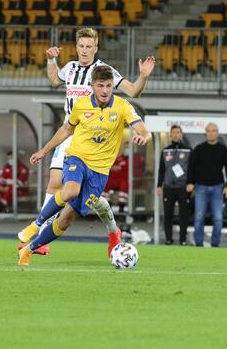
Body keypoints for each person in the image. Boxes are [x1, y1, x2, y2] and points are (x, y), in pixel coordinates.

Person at [16, 27, 156, 257]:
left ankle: (112, 229)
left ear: (96, 48)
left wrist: (143, 77)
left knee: (86, 199)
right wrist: (51, 60)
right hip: (72, 134)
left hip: (98, 141)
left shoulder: (104, 72)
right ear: (76, 47)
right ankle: (39, 236)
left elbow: (132, 91)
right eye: (81, 46)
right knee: (56, 184)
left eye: (89, 46)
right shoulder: (70, 68)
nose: (84, 50)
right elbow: (54, 80)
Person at [186, 123, 227, 247]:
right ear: (205, 133)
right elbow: (191, 167)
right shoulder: (199, 149)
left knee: (218, 218)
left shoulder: (223, 149)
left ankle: (215, 244)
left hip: (218, 188)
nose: (211, 133)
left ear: (217, 133)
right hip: (201, 188)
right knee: (199, 217)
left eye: (214, 131)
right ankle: (199, 244)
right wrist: (190, 182)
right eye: (209, 131)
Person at [157, 125, 192, 245]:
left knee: (184, 215)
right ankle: (168, 239)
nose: (176, 135)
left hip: (183, 187)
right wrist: (159, 185)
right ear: (170, 135)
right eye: (174, 132)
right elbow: (161, 169)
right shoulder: (165, 150)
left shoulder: (188, 150)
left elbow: (192, 168)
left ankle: (183, 240)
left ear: (181, 134)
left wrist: (190, 183)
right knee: (168, 214)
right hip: (168, 187)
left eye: (178, 132)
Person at [0, 150, 29, 219]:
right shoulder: (7, 166)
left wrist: (8, 187)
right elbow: (2, 178)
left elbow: (20, 182)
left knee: (10, 191)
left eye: (11, 157)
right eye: (9, 158)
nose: (10, 159)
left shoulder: (22, 168)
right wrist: (0, 186)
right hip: (5, 187)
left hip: (18, 189)